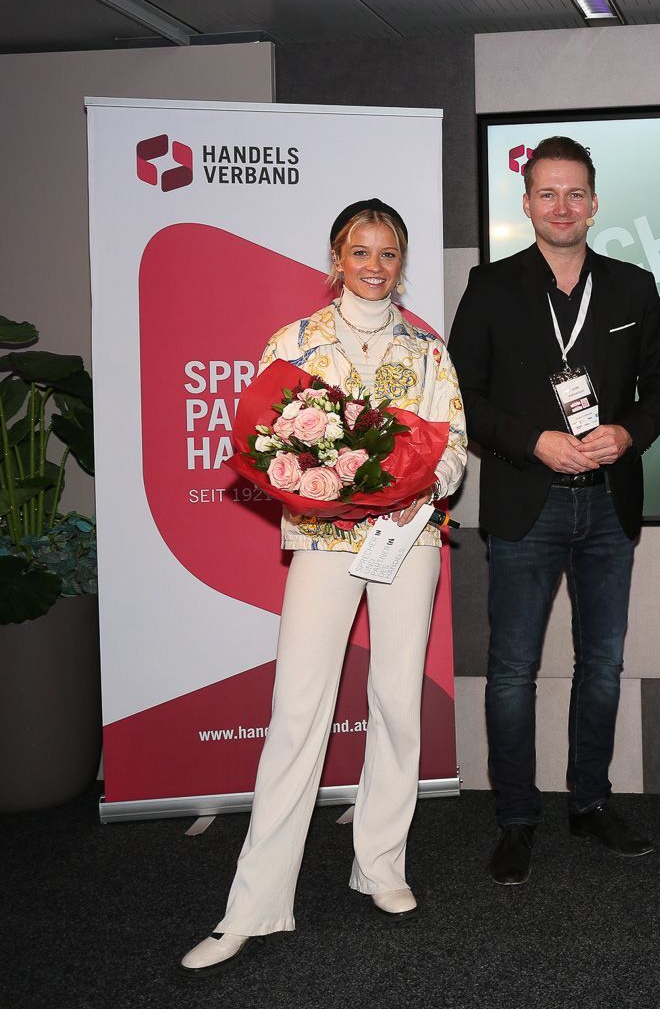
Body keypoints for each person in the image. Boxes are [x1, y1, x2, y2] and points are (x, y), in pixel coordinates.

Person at [182, 199, 467, 972]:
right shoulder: (294, 344)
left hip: (407, 540)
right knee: (297, 710)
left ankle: (380, 865)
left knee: (397, 703)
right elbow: (267, 443)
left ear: (402, 263)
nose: (375, 265)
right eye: (360, 251)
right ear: (337, 257)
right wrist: (322, 481)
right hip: (322, 539)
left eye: (388, 253)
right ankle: (253, 906)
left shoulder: (427, 349)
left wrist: (416, 485)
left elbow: (453, 448)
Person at [448, 136, 660, 886]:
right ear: (527, 204)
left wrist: (627, 433)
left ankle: (590, 803)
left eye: (575, 193)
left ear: (595, 202)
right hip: (527, 504)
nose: (562, 206)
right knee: (513, 671)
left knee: (602, 667)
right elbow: (462, 397)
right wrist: (534, 441)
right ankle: (516, 817)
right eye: (547, 193)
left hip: (609, 506)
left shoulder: (633, 288)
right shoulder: (491, 287)